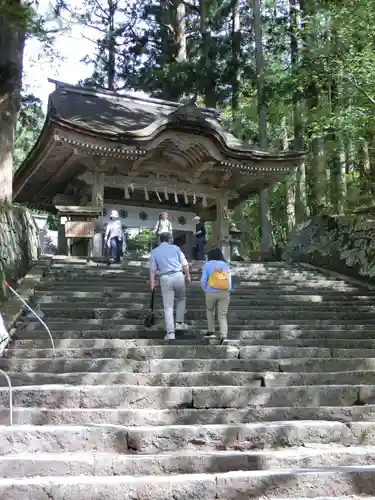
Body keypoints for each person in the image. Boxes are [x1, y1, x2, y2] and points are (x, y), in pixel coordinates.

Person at [149, 232, 191, 340]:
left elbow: (153, 269)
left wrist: (152, 282)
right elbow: (185, 264)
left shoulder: (155, 251)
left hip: (165, 278)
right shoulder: (176, 248)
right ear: (170, 239)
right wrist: (188, 276)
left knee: (168, 307)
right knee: (182, 298)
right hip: (178, 275)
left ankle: (170, 333)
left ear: (160, 240)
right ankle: (179, 322)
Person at [200, 247, 232, 344]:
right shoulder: (225, 265)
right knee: (222, 315)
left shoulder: (207, 265)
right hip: (224, 292)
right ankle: (223, 335)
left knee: (210, 310)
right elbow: (229, 280)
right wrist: (229, 291)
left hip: (211, 292)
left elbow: (203, 280)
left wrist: (205, 289)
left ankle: (211, 331)